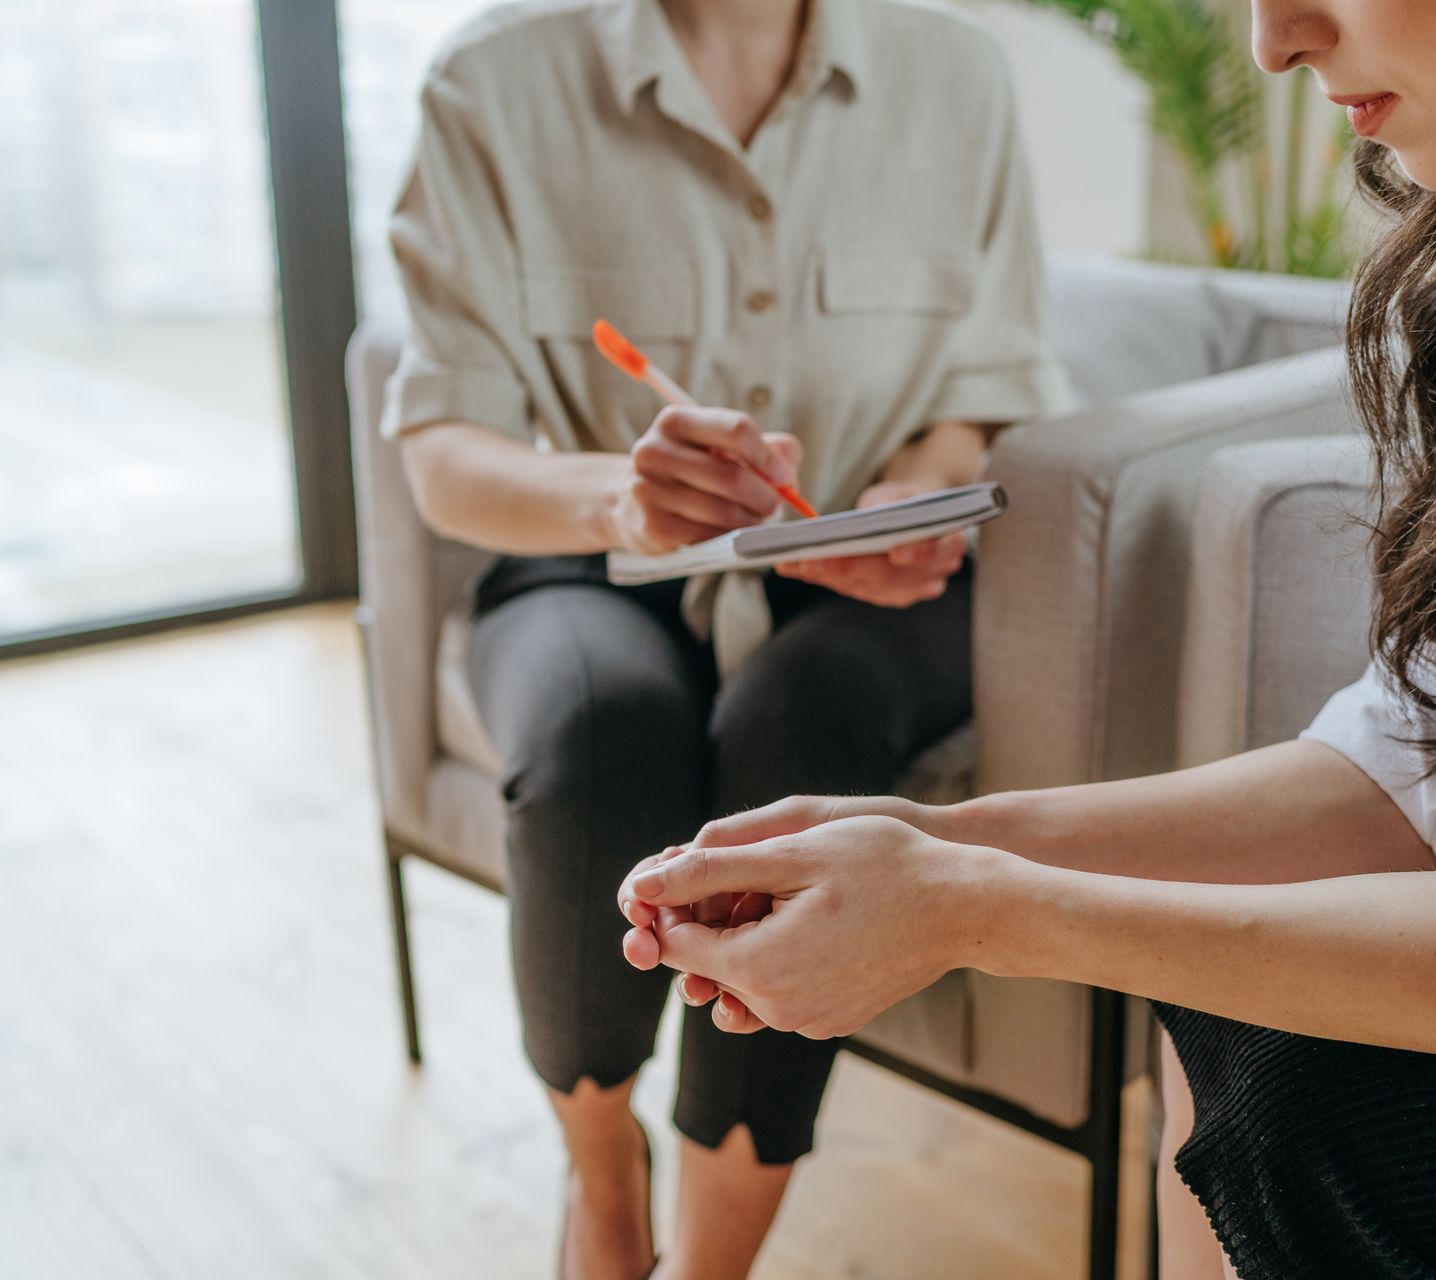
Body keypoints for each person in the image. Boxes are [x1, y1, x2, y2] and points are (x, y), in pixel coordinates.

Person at [615, 1, 1436, 1276]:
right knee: (1240, 1011)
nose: (1270, 39)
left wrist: (974, 909)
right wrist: (949, 842)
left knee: (1325, 1110)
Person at [381, 0, 1065, 1275]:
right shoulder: (493, 79)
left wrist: (900, 494)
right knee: (597, 736)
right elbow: (445, 456)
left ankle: (712, 1262)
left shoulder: (956, 77)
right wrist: (619, 498)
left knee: (798, 746)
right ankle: (602, 1184)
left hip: (866, 578)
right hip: (589, 556)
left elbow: (985, 398)